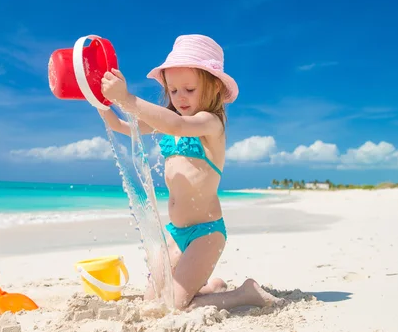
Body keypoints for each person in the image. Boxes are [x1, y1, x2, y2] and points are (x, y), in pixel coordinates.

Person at [98, 34, 283, 311]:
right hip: (175, 232)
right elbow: (124, 127)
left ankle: (246, 294)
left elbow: (177, 125)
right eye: (173, 91)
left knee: (172, 305)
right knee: (153, 301)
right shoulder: (169, 120)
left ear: (214, 89)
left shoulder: (210, 123)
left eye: (189, 89)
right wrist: (101, 101)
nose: (180, 97)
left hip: (205, 234)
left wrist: (126, 97)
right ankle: (213, 288)